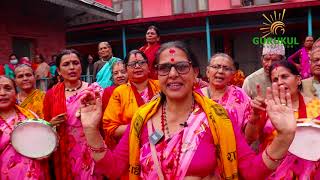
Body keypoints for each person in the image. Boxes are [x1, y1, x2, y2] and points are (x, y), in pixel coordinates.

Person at [79, 41, 296, 179]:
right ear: (158, 75)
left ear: (195, 73)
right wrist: (90, 130)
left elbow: (250, 170)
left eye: (181, 67)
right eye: (164, 68)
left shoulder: (218, 119)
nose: (173, 74)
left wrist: (284, 136)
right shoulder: (142, 119)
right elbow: (115, 169)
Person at [244, 60, 320, 178]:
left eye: (284, 76)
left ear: (298, 79)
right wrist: (254, 116)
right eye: (275, 79)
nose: (280, 82)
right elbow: (250, 138)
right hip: (273, 172)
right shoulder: (268, 108)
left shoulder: (316, 106)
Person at [43, 49, 103, 180]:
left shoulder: (94, 90)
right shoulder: (51, 95)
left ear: (81, 66)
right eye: (66, 64)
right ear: (58, 71)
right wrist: (51, 124)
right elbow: (45, 127)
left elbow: (104, 122)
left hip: (91, 148)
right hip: (64, 151)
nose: (72, 67)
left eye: (75, 63)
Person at [102, 50, 160, 149]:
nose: (137, 66)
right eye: (133, 64)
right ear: (127, 69)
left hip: (162, 142)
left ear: (148, 67)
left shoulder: (160, 86)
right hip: (130, 148)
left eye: (141, 63)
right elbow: (111, 128)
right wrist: (144, 127)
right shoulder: (119, 93)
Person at [0, 75, 48, 179]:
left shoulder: (30, 116)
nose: (2, 93)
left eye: (8, 88)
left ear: (16, 93)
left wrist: (44, 152)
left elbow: (43, 144)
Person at [201, 53, 251, 129]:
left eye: (226, 68)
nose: (221, 71)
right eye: (216, 67)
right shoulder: (195, 97)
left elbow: (250, 136)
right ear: (207, 72)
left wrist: (255, 116)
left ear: (232, 74)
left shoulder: (240, 96)